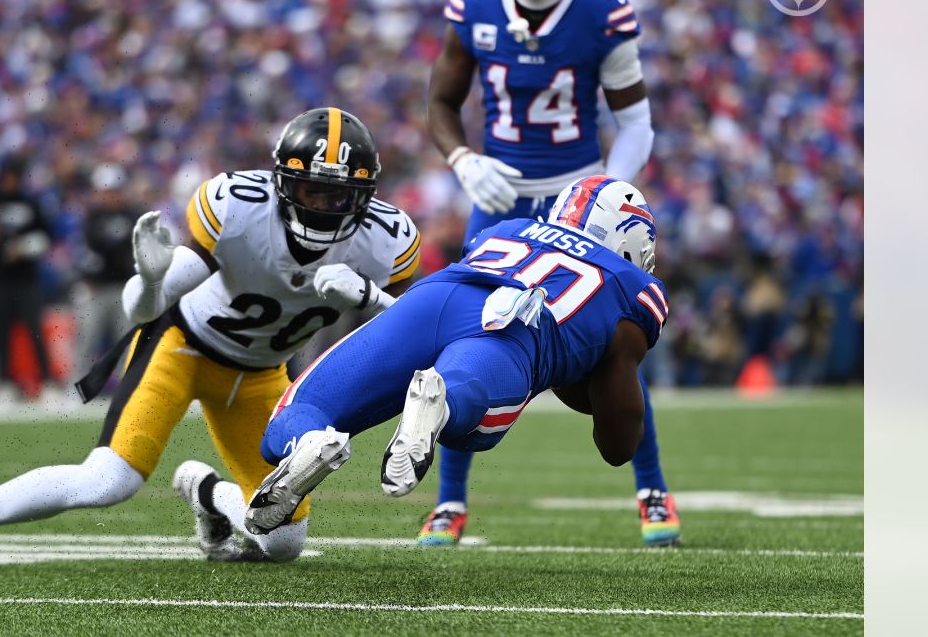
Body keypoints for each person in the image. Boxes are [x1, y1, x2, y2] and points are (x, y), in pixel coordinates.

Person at [0, 108, 422, 571]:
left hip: (261, 375)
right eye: (312, 190)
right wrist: (150, 276)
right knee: (106, 481)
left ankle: (208, 493)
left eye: (339, 196)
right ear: (282, 182)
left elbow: (418, 336)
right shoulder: (239, 207)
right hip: (183, 347)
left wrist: (372, 300)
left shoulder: (387, 243)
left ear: (366, 195)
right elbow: (143, 308)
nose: (324, 207)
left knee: (282, 544)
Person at [424, 0, 678, 547]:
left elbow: (637, 126)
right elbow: (440, 104)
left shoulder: (600, 11)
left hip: (580, 205)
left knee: (617, 341)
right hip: (501, 203)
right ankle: (450, 503)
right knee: (471, 337)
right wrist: (463, 160)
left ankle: (651, 490)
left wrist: (607, 198)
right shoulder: (476, 3)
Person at [240, 176, 668, 541]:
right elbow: (618, 443)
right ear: (629, 237)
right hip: (514, 330)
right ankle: (440, 405)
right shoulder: (631, 287)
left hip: (430, 301)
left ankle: (309, 442)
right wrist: (609, 364)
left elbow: (474, 304)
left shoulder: (510, 229)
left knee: (301, 408)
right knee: (467, 417)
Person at [0, 157, 60, 405]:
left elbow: (47, 237)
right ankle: (4, 383)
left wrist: (23, 247)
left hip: (26, 279)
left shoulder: (30, 203)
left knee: (35, 330)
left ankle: (46, 382)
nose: (10, 181)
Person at [71, 164, 138, 384]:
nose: (110, 196)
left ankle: (128, 386)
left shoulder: (132, 215)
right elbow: (89, 251)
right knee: (87, 338)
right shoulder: (93, 217)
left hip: (125, 287)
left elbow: (132, 250)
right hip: (96, 287)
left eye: (113, 190)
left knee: (126, 340)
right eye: (106, 191)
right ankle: (77, 385)